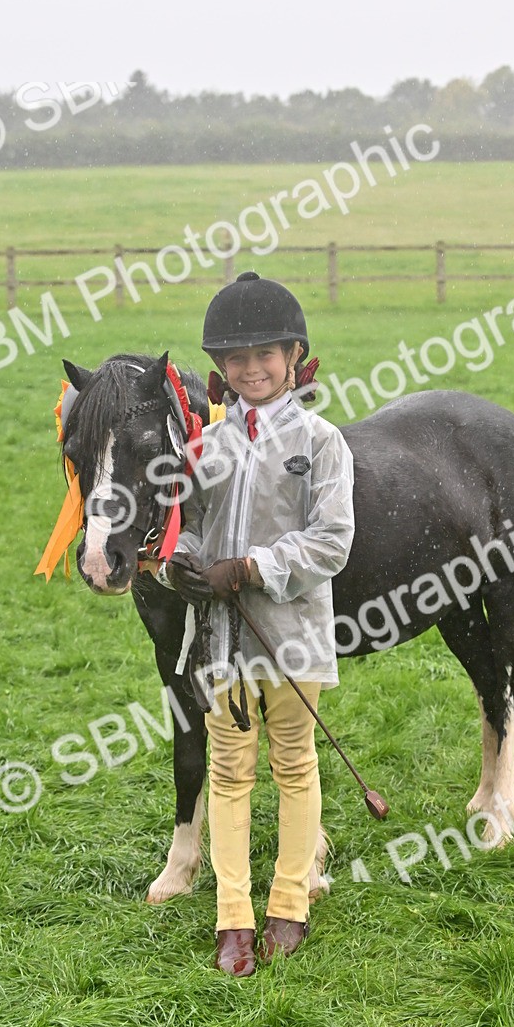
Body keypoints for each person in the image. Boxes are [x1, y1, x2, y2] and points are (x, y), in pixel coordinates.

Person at [164, 270, 355, 977]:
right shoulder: (204, 449)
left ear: (293, 356)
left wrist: (248, 569)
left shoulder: (323, 441)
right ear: (220, 370)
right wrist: (182, 563)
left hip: (294, 634)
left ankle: (289, 905)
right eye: (236, 360)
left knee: (295, 765)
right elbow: (185, 531)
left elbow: (333, 541)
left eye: (265, 355)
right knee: (230, 772)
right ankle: (234, 918)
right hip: (222, 643)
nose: (251, 370)